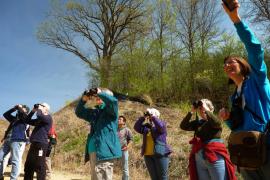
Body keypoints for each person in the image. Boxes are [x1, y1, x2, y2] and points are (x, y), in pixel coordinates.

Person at [218, 1, 270, 179]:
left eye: (231, 61)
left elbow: (255, 49)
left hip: (267, 148)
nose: (227, 65)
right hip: (245, 152)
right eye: (225, 64)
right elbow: (237, 125)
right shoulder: (234, 96)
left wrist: (236, 20)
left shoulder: (257, 80)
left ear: (243, 64)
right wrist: (228, 119)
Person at [180, 99, 236, 180]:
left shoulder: (215, 120)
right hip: (199, 158)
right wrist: (191, 111)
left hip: (214, 155)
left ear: (211, 109)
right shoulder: (198, 123)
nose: (201, 110)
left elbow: (216, 123)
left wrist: (206, 110)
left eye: (203, 107)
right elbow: (183, 126)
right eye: (200, 108)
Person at [75, 87, 122, 180]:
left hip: (104, 151)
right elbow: (79, 112)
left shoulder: (111, 112)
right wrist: (84, 99)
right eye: (97, 96)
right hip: (93, 149)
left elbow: (113, 102)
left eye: (100, 96)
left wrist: (100, 93)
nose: (98, 98)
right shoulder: (96, 112)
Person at [134, 108, 171, 180]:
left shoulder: (162, 124)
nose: (150, 118)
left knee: (163, 177)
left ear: (156, 116)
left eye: (152, 115)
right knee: (154, 178)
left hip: (160, 154)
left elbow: (160, 127)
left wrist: (153, 117)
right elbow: (136, 127)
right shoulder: (146, 127)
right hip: (148, 155)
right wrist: (143, 118)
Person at [0, 104, 30, 180]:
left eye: (23, 108)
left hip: (17, 141)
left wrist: (20, 108)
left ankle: (13, 178)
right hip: (8, 140)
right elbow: (5, 114)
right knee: (0, 158)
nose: (20, 109)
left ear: (26, 111)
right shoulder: (14, 119)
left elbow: (23, 116)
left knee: (15, 160)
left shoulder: (26, 119)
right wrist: (14, 108)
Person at [23, 103, 53, 180]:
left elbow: (40, 115)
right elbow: (27, 120)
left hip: (41, 144)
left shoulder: (48, 118)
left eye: (42, 106)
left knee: (39, 165)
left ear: (46, 109)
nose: (40, 107)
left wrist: (39, 109)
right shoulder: (39, 119)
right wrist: (33, 111)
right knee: (29, 164)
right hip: (34, 143)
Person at [118, 115, 133, 180]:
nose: (118, 120)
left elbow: (131, 140)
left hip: (124, 150)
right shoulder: (114, 129)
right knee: (110, 166)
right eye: (118, 119)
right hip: (114, 151)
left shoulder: (127, 130)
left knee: (125, 168)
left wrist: (127, 147)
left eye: (120, 119)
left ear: (124, 122)